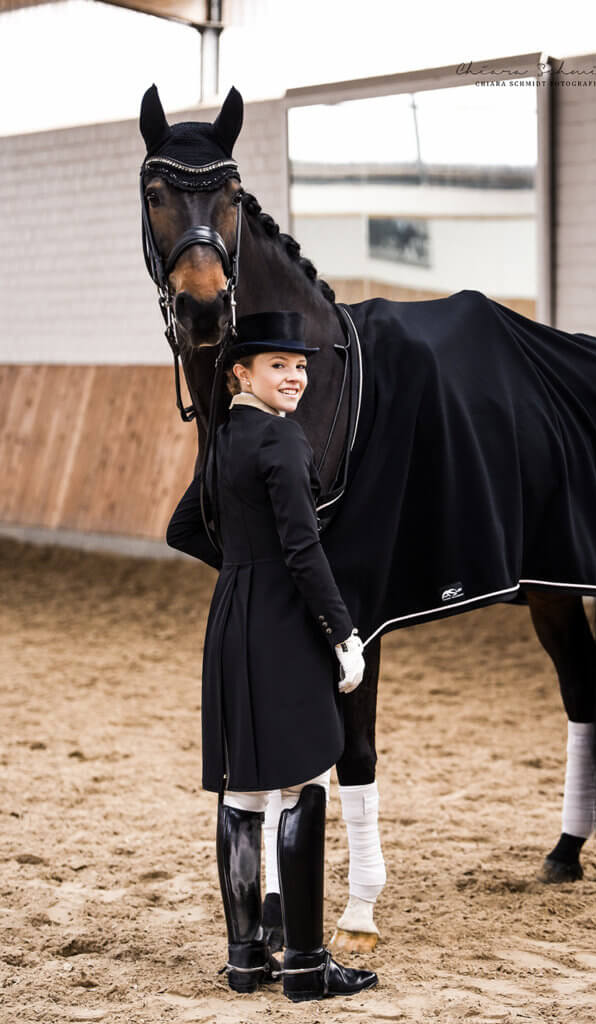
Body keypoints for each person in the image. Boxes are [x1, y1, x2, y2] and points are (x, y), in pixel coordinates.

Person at [165, 310, 378, 1003]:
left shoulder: (226, 437)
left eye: (301, 366)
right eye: (278, 366)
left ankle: (247, 961)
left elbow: (184, 527)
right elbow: (302, 548)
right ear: (240, 373)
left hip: (231, 618)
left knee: (245, 790)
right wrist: (343, 633)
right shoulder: (283, 441)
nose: (295, 377)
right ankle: (308, 966)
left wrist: (241, 571)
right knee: (305, 783)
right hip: (284, 625)